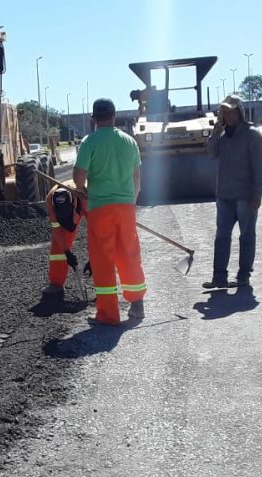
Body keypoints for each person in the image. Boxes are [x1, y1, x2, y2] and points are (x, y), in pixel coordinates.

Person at [73, 98, 146, 326]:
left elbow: (78, 175)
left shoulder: (89, 142)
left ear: (93, 119)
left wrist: (82, 190)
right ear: (114, 117)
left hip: (100, 208)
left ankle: (108, 314)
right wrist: (130, 202)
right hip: (125, 208)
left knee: (103, 260)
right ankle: (137, 305)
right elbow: (137, 180)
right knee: (129, 253)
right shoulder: (129, 142)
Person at [203, 94, 262, 289]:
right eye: (224, 112)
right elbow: (211, 154)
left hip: (245, 196)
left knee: (246, 236)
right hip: (224, 195)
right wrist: (215, 132)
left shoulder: (252, 135)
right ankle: (219, 276)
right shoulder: (222, 135)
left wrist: (257, 194)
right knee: (222, 236)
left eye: (231, 112)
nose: (228, 116)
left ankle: (243, 275)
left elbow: (259, 168)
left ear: (240, 112)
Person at [42, 182, 85, 298]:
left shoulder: (84, 197)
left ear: (72, 204)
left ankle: (102, 286)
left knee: (100, 241)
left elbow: (96, 229)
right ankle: (56, 283)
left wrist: (92, 260)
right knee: (58, 247)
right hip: (64, 219)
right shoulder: (50, 201)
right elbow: (58, 232)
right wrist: (67, 252)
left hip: (83, 205)